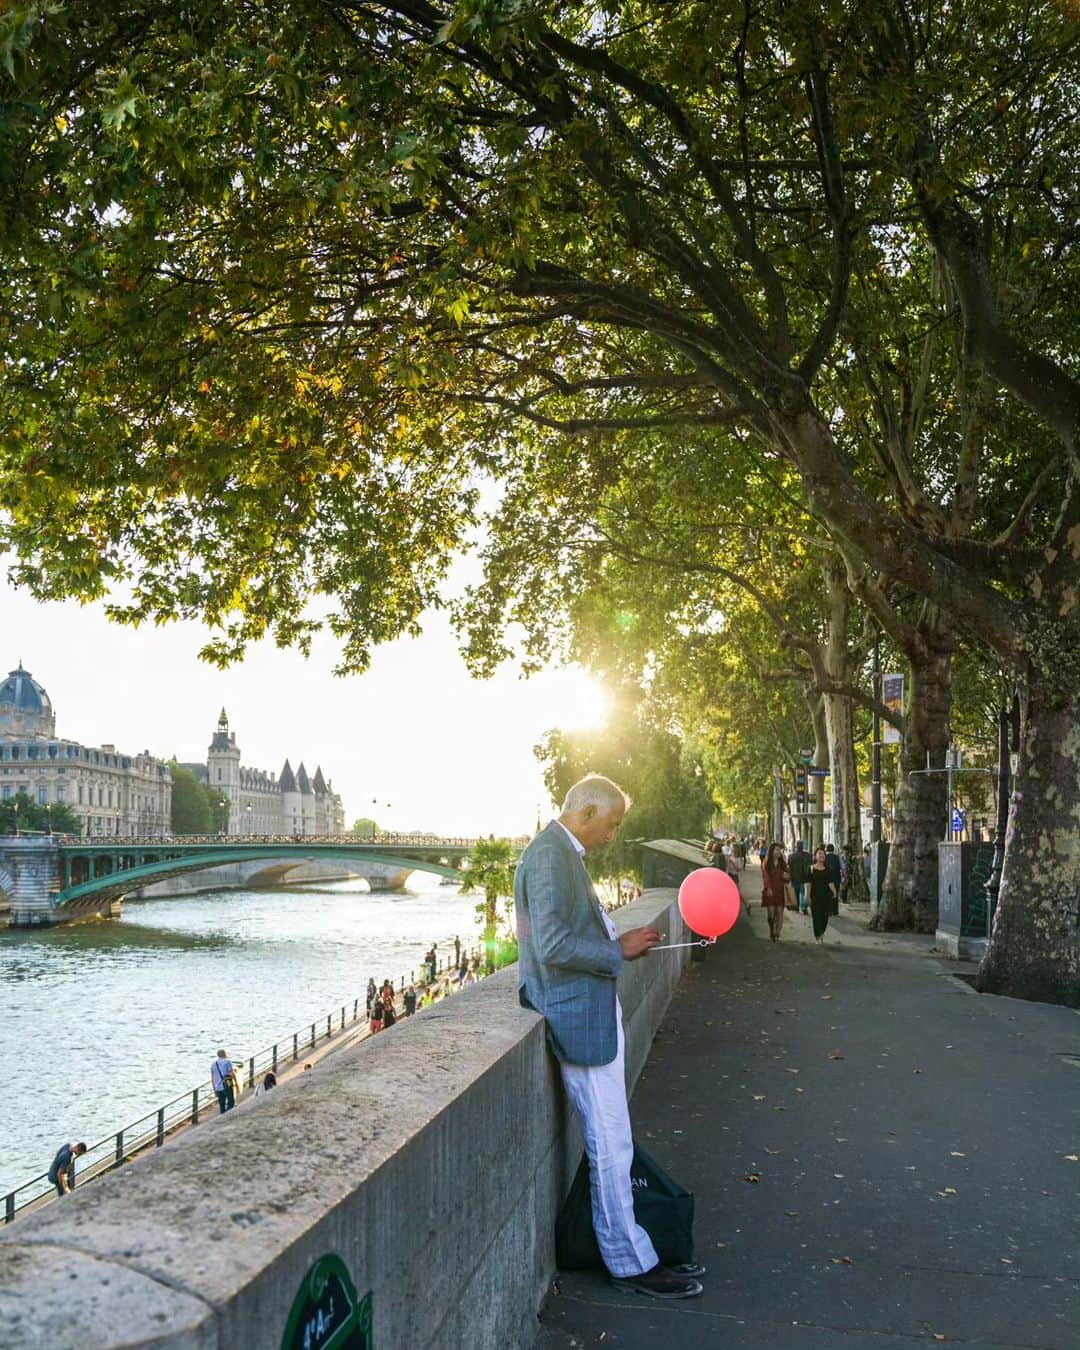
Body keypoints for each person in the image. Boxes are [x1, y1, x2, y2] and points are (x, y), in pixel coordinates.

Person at [515, 773, 703, 1300]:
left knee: (614, 1142)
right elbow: (551, 945)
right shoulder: (551, 856)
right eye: (612, 825)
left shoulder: (559, 852)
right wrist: (615, 952)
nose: (614, 836)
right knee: (610, 1143)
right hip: (577, 1016)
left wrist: (618, 941)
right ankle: (628, 1261)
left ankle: (633, 1252)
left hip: (585, 1012)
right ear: (587, 812)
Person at [809, 846, 839, 944]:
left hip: (825, 896)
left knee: (824, 917)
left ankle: (822, 931)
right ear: (815, 856)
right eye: (819, 854)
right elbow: (808, 884)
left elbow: (830, 882)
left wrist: (834, 892)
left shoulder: (828, 869)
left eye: (823, 854)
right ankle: (818, 936)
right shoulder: (811, 869)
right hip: (815, 896)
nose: (822, 856)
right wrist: (807, 895)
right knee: (816, 917)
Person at [760, 842, 789, 942]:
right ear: (771, 851)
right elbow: (765, 877)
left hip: (781, 891)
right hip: (770, 891)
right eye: (776, 849)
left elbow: (788, 876)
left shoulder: (782, 863)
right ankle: (771, 930)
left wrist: (787, 876)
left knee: (780, 912)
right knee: (771, 914)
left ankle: (777, 933)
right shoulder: (766, 862)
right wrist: (768, 888)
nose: (778, 852)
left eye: (779, 850)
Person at [788, 840, 811, 914]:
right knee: (803, 892)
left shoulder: (791, 856)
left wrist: (790, 876)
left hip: (795, 877)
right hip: (804, 877)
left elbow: (789, 867)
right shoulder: (807, 855)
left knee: (797, 892)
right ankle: (803, 907)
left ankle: (797, 906)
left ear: (796, 847)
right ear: (802, 847)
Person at [210, 1049, 236, 1114]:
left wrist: (214, 1089)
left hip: (218, 1087)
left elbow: (212, 1078)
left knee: (222, 1104)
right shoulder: (228, 1061)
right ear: (225, 1054)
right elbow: (232, 1073)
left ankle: (223, 1115)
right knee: (231, 1101)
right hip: (227, 1085)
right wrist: (236, 1082)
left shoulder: (213, 1064)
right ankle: (229, 1115)